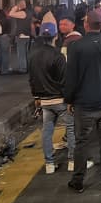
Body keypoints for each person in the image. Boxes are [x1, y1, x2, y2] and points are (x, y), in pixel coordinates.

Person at [63, 10, 101, 193]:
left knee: (82, 142)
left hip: (84, 103)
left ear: (86, 25)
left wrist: (69, 99)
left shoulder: (76, 46)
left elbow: (71, 76)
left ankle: (78, 180)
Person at [29, 23, 71, 174]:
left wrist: (36, 97)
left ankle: (49, 164)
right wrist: (70, 99)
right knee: (71, 128)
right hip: (60, 99)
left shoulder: (33, 55)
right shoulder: (58, 56)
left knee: (47, 131)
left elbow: (32, 79)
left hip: (44, 100)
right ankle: (73, 161)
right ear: (56, 36)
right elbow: (65, 80)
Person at [8, 0, 34, 74]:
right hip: (27, 35)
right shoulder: (29, 12)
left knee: (21, 53)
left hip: (21, 36)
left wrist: (16, 7)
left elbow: (10, 14)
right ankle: (27, 67)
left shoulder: (22, 13)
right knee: (26, 53)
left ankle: (22, 69)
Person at [0, 9, 11, 75]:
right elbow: (10, 29)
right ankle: (5, 70)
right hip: (5, 37)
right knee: (5, 54)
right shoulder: (7, 20)